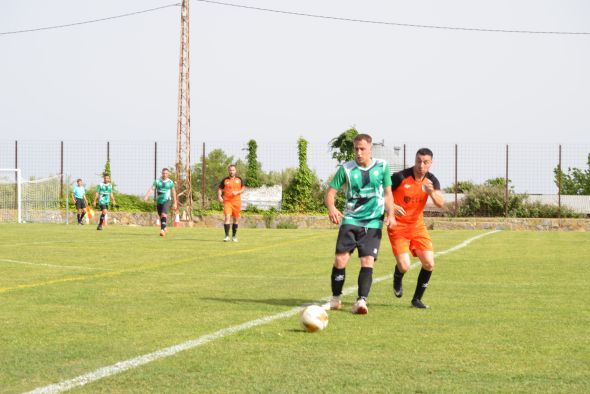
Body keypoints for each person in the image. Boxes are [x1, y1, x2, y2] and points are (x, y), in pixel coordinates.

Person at [325, 134, 397, 314]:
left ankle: (361, 301)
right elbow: (330, 193)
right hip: (350, 220)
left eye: (362, 149)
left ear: (370, 149)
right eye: (356, 148)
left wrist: (391, 214)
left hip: (373, 222)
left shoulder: (382, 166)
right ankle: (335, 299)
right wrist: (331, 208)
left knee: (367, 261)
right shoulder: (346, 168)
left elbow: (388, 194)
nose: (358, 152)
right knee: (340, 260)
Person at [388, 148, 445, 309]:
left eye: (425, 162)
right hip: (397, 227)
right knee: (405, 266)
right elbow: (381, 193)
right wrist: (391, 205)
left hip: (417, 226)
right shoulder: (400, 177)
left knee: (429, 263)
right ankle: (398, 276)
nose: (421, 165)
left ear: (430, 163)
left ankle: (416, 300)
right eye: (418, 161)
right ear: (415, 160)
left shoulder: (431, 180)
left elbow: (440, 203)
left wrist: (431, 192)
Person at [143, 168, 178, 237]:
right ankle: (164, 227)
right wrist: (146, 196)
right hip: (159, 201)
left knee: (163, 214)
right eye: (163, 173)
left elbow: (173, 192)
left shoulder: (170, 182)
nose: (165, 174)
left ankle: (162, 230)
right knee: (161, 216)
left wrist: (175, 203)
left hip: (167, 200)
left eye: (166, 173)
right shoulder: (157, 181)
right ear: (162, 174)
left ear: (168, 174)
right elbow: (152, 189)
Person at [217, 164, 245, 242]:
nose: (231, 171)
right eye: (230, 170)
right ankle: (226, 236)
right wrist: (219, 196)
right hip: (227, 202)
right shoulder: (225, 180)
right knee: (227, 217)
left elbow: (243, 188)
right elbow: (220, 188)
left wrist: (237, 192)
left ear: (235, 171)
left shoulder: (239, 179)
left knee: (235, 219)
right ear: (228, 171)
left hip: (237, 202)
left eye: (233, 170)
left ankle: (234, 236)